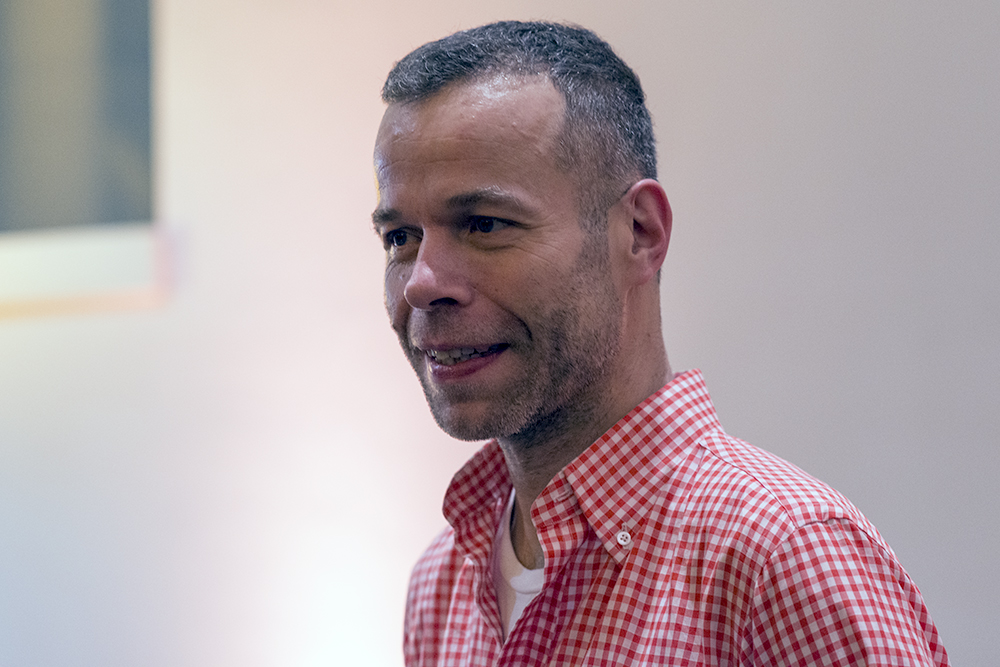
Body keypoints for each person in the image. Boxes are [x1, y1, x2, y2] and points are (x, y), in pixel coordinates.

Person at [372, 20, 950, 667]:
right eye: (400, 238)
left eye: (484, 224)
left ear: (640, 233)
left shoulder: (785, 561)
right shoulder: (442, 587)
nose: (422, 283)